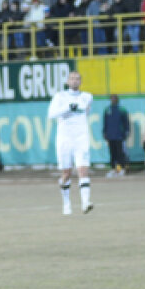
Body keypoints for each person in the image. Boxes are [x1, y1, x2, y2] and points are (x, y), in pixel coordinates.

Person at [47, 70, 94, 215]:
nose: (74, 81)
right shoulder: (60, 96)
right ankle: (66, 203)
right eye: (72, 79)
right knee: (66, 173)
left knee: (82, 169)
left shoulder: (87, 97)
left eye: (77, 79)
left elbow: (86, 112)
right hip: (65, 138)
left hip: (81, 137)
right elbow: (51, 114)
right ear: (67, 81)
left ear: (80, 82)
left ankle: (85, 203)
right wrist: (67, 108)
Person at [102, 94, 130, 177]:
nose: (113, 100)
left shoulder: (122, 110)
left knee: (120, 153)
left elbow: (126, 122)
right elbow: (105, 122)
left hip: (119, 135)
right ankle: (114, 169)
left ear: (117, 99)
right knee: (112, 153)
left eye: (114, 98)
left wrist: (126, 132)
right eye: (111, 99)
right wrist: (104, 132)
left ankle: (122, 168)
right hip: (110, 135)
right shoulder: (107, 110)